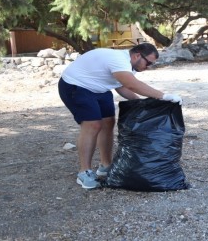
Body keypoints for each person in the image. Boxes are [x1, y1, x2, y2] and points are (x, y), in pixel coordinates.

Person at [58, 43, 182, 189]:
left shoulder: (130, 65)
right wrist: (163, 96)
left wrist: (142, 106)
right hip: (76, 85)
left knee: (108, 122)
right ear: (137, 55)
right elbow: (132, 85)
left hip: (99, 88)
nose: (148, 67)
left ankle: (105, 165)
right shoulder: (118, 59)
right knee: (92, 125)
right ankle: (84, 172)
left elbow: (122, 86)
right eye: (148, 63)